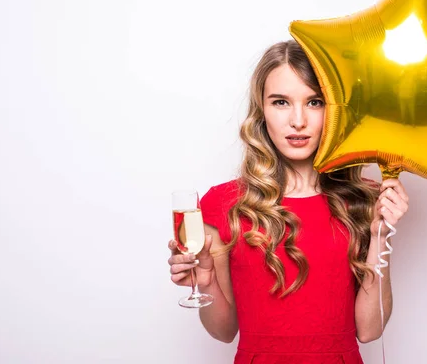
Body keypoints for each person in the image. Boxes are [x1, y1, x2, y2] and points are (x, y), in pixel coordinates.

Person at [167, 40, 409, 363]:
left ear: (333, 109)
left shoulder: (365, 201)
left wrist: (380, 235)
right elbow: (224, 332)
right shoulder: (224, 204)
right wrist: (206, 281)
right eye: (281, 102)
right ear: (261, 110)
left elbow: (369, 330)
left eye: (314, 102)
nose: (298, 120)